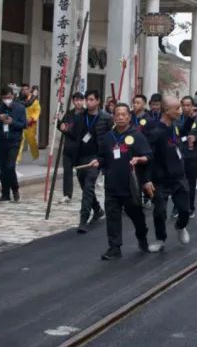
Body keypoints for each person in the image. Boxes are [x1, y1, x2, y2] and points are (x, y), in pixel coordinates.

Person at [92, 103, 151, 259]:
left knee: (136, 215)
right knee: (112, 216)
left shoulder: (137, 136)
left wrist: (140, 159)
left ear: (129, 117)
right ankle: (114, 247)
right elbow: (102, 156)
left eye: (124, 114)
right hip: (112, 184)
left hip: (130, 186)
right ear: (113, 117)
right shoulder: (108, 137)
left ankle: (142, 236)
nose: (120, 117)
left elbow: (148, 156)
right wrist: (98, 161)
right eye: (117, 114)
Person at [144, 96, 192, 250]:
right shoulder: (154, 130)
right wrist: (147, 179)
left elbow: (181, 135)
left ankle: (181, 226)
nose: (180, 111)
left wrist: (191, 119)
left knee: (184, 209)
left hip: (178, 176)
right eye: (177, 108)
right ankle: (160, 239)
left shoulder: (174, 126)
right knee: (160, 212)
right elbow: (148, 156)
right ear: (166, 110)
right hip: (160, 179)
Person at [69, 90, 110, 232]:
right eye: (87, 99)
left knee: (88, 187)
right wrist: (63, 128)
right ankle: (97, 209)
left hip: (96, 157)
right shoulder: (80, 117)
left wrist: (105, 158)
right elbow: (73, 135)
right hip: (81, 156)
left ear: (98, 101)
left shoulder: (106, 118)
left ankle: (83, 219)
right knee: (83, 185)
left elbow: (110, 138)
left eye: (92, 99)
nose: (89, 102)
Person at [0, 86, 27, 203]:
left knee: (10, 166)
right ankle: (5, 194)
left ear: (12, 96)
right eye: (4, 98)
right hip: (2, 141)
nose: (7, 100)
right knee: (3, 168)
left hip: (14, 141)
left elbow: (23, 124)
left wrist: (12, 122)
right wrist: (0, 119)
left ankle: (15, 189)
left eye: (8, 97)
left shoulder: (20, 108)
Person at [179, 96, 197, 213]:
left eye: (188, 105)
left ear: (192, 106)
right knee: (179, 182)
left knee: (191, 183)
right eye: (184, 105)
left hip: (193, 155)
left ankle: (191, 206)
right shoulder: (177, 119)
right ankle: (178, 206)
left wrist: (196, 138)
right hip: (180, 155)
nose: (186, 108)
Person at [57, 92, 85, 201]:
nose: (78, 102)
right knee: (67, 172)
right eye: (76, 100)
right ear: (73, 101)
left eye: (80, 100)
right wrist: (59, 123)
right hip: (68, 148)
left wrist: (66, 130)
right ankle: (67, 194)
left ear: (83, 101)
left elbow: (77, 132)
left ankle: (86, 193)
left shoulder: (86, 114)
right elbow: (63, 126)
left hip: (81, 149)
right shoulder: (69, 114)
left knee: (81, 173)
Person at [18, 85, 41, 162]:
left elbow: (37, 110)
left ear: (29, 90)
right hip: (21, 123)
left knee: (31, 140)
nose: (24, 91)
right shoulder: (20, 99)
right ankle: (17, 159)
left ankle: (35, 155)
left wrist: (32, 118)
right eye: (23, 89)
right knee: (20, 140)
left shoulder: (34, 100)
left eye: (26, 89)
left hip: (31, 124)